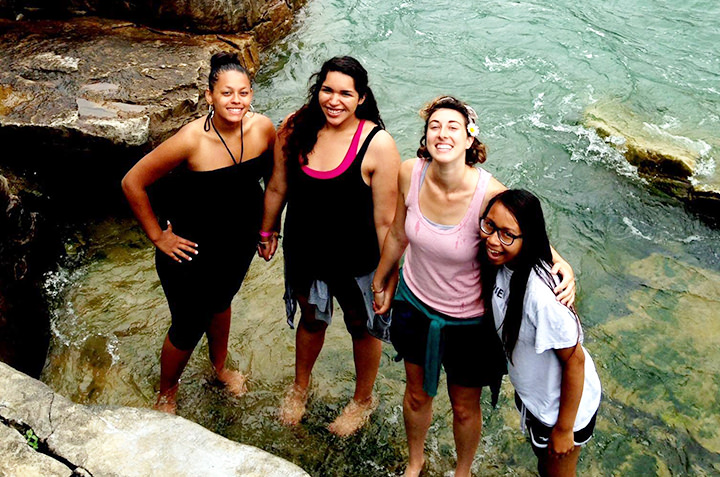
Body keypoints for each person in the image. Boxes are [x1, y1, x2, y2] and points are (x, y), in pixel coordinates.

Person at [371, 96, 576, 477]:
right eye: (435, 126)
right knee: (417, 395)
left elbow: (526, 234)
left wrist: (562, 264)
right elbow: (399, 233)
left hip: (470, 323)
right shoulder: (409, 172)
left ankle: (462, 472)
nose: (442, 133)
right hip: (414, 306)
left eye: (453, 126)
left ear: (469, 139)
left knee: (464, 406)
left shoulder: (488, 192)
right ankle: (415, 463)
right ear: (425, 136)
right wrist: (382, 278)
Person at [121, 52, 275, 413]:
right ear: (209, 96)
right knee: (187, 325)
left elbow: (274, 179)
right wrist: (159, 236)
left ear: (251, 95)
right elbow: (132, 182)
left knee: (222, 302)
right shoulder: (191, 139)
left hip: (237, 245)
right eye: (226, 93)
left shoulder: (263, 128)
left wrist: (269, 230)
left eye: (243, 93)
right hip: (189, 251)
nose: (235, 101)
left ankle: (219, 369)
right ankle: (167, 394)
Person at [257, 56, 401, 437]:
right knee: (311, 318)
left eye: (345, 93)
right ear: (317, 90)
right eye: (327, 90)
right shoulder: (294, 128)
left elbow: (387, 220)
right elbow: (277, 186)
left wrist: (388, 275)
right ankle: (300, 388)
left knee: (361, 326)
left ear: (361, 98)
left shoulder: (377, 143)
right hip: (306, 252)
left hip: (357, 259)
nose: (334, 100)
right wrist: (267, 231)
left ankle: (362, 400)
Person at [479, 189, 601, 477]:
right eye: (490, 226)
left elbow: (575, 361)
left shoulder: (542, 296)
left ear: (528, 238)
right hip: (539, 399)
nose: (494, 240)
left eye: (507, 234)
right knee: (544, 464)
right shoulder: (503, 266)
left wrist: (563, 429)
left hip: (564, 410)